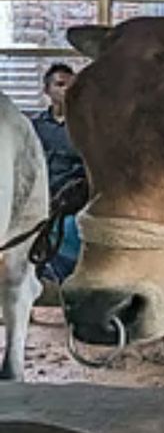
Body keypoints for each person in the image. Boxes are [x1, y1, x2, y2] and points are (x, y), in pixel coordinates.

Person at [31, 63, 86, 283]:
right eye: (60, 84)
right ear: (47, 90)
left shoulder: (85, 127)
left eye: (71, 86)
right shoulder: (35, 127)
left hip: (73, 200)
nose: (65, 90)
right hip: (39, 196)